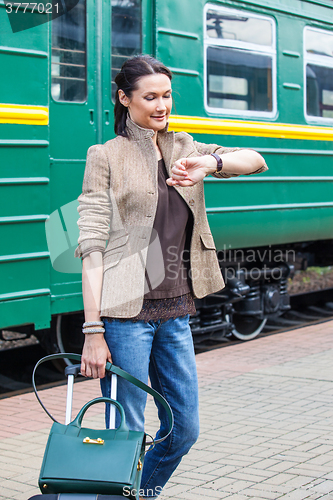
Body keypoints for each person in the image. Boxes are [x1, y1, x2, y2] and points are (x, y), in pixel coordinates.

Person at [74, 55, 268, 499]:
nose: (161, 105)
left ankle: (142, 491)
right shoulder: (105, 156)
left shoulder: (185, 146)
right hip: (125, 319)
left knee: (184, 429)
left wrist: (210, 166)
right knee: (125, 432)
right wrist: (92, 330)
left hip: (176, 313)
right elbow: (91, 246)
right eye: (150, 97)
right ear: (125, 99)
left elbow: (256, 161)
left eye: (167, 95)